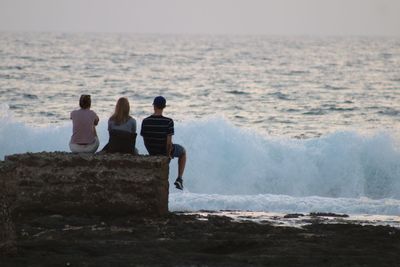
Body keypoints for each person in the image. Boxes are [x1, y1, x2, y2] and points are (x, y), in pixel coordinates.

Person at [140, 96, 186, 190]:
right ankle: (179, 179)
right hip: (163, 151)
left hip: (152, 151)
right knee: (183, 152)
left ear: (154, 106)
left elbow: (145, 141)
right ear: (164, 107)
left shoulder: (145, 121)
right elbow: (168, 143)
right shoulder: (168, 121)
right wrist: (168, 155)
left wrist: (151, 153)